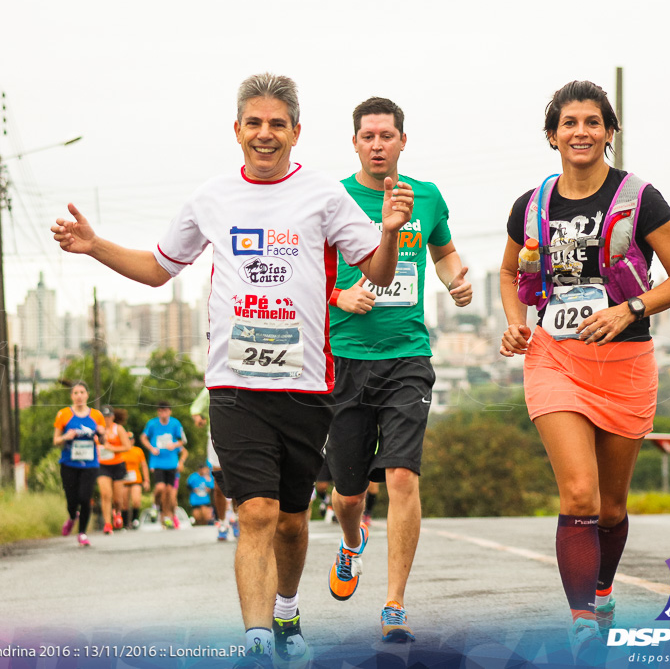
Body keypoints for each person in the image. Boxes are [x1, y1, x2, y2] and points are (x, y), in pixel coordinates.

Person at [52, 72, 412, 669]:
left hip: (305, 386)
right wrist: (96, 245)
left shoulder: (323, 195)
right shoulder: (211, 198)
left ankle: (288, 611)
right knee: (256, 514)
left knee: (293, 524)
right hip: (234, 385)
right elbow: (157, 268)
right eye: (254, 123)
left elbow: (373, 272)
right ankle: (254, 642)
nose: (265, 135)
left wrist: (391, 234)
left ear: (296, 132)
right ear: (237, 130)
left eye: (277, 124)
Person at [499, 80, 670, 661]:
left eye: (592, 122)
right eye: (569, 123)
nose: (581, 132)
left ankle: (604, 588)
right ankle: (583, 620)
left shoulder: (641, 198)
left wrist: (630, 308)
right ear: (552, 135)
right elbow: (509, 274)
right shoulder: (531, 204)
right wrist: (516, 322)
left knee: (611, 507)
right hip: (555, 359)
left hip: (626, 362)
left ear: (609, 132)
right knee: (580, 494)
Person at [325, 97, 472, 643]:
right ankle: (350, 541)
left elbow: (444, 254)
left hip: (408, 355)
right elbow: (304, 275)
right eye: (368, 136)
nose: (378, 144)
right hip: (344, 358)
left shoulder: (426, 197)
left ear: (402, 142)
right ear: (356, 142)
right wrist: (340, 296)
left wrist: (457, 277)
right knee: (348, 495)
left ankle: (394, 604)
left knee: (402, 475)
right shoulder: (333, 198)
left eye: (387, 135)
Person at [52, 381, 105, 547]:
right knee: (72, 499)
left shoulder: (96, 416)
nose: (79, 396)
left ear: (87, 395)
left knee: (85, 497)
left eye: (82, 392)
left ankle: (82, 533)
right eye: (76, 393)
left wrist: (102, 434)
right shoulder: (64, 414)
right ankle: (72, 517)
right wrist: (65, 437)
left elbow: (103, 439)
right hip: (69, 463)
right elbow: (56, 440)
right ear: (71, 396)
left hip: (90, 464)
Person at [191, 387, 238, 540]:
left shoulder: (243, 382)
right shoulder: (212, 387)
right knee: (219, 484)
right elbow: (195, 408)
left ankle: (237, 519)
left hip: (239, 436)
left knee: (238, 481)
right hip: (216, 437)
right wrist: (198, 417)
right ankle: (223, 522)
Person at [140, 401, 189, 530]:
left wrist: (174, 445)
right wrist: (151, 448)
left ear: (169, 411)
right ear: (158, 412)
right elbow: (143, 437)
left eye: (166, 410)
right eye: (161, 410)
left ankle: (167, 517)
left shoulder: (175, 423)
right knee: (160, 487)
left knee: (169, 492)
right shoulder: (152, 424)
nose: (163, 413)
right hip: (157, 461)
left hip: (171, 462)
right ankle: (155, 506)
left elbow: (183, 441)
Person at [97, 406, 132, 534]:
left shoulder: (118, 429)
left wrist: (112, 448)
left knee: (117, 499)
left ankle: (117, 512)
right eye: (104, 417)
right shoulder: (97, 430)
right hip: (102, 465)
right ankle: (107, 523)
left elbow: (127, 447)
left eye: (108, 417)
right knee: (105, 494)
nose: (106, 419)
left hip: (117, 465)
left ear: (112, 417)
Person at [119, 439, 150, 529]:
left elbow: (144, 465)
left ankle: (134, 520)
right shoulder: (120, 450)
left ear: (133, 441)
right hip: (124, 480)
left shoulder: (137, 451)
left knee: (136, 500)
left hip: (136, 479)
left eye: (131, 439)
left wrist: (146, 480)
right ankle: (125, 523)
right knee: (124, 503)